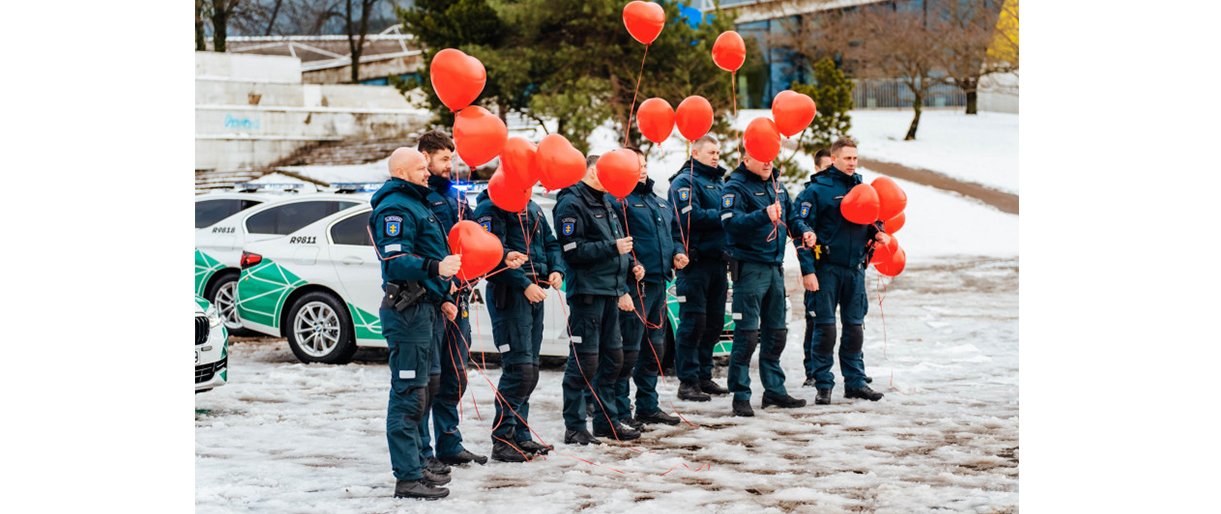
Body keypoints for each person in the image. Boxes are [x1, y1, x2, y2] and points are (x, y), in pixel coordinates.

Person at [369, 148, 461, 500]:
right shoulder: (396, 206)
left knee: (423, 391)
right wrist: (436, 270)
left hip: (426, 308)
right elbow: (395, 260)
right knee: (408, 396)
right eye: (421, 168)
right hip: (407, 313)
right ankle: (407, 477)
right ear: (403, 172)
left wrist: (443, 298)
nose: (428, 173)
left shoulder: (417, 202)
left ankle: (419, 463)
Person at [471, 181, 567, 462]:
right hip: (509, 295)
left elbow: (550, 243)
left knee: (531, 370)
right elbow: (490, 256)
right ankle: (502, 440)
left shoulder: (533, 206)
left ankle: (520, 436)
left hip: (535, 294)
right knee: (518, 370)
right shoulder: (490, 208)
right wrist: (523, 283)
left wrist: (556, 270)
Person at [794, 137, 890, 405]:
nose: (852, 163)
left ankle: (855, 383)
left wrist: (879, 232)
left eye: (855, 158)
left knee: (854, 328)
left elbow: (875, 217)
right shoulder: (816, 189)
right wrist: (807, 269)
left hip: (855, 270)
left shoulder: (861, 186)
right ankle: (823, 384)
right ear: (834, 159)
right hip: (826, 269)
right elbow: (798, 221)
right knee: (825, 329)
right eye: (847, 158)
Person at [720, 152, 817, 417]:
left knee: (777, 333)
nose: (767, 162)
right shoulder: (735, 186)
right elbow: (730, 224)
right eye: (760, 156)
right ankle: (740, 395)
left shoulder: (777, 186)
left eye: (770, 157)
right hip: (749, 268)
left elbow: (793, 218)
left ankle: (774, 390)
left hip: (775, 268)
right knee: (747, 335)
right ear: (747, 158)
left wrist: (803, 229)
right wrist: (763, 215)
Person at [416, 131, 492, 469]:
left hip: (458, 297)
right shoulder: (418, 197)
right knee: (427, 380)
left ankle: (450, 442)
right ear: (425, 157)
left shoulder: (456, 198)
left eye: (452, 158)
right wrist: (441, 291)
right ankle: (423, 451)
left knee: (455, 375)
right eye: (444, 159)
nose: (451, 165)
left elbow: (475, 240)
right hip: (430, 299)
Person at [553, 155, 640, 444]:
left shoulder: (606, 201)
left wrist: (630, 267)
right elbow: (573, 251)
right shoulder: (571, 203)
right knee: (584, 364)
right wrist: (612, 247)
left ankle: (607, 422)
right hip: (587, 295)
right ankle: (575, 426)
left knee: (613, 360)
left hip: (610, 292)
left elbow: (616, 251)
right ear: (592, 171)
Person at [609, 147, 687, 429]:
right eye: (636, 165)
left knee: (654, 350)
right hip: (633, 285)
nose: (642, 169)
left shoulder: (660, 201)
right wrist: (632, 263)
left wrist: (678, 252)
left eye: (644, 164)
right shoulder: (618, 202)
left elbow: (675, 233)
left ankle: (648, 406)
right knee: (628, 351)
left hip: (659, 283)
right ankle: (619, 410)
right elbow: (616, 240)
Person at [668, 135, 731, 402]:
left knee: (715, 323)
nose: (716, 157)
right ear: (695, 153)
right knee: (694, 323)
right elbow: (689, 217)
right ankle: (688, 381)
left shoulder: (719, 181)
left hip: (718, 261)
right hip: (694, 263)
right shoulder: (684, 182)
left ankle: (704, 375)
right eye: (711, 152)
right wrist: (725, 216)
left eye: (718, 152)